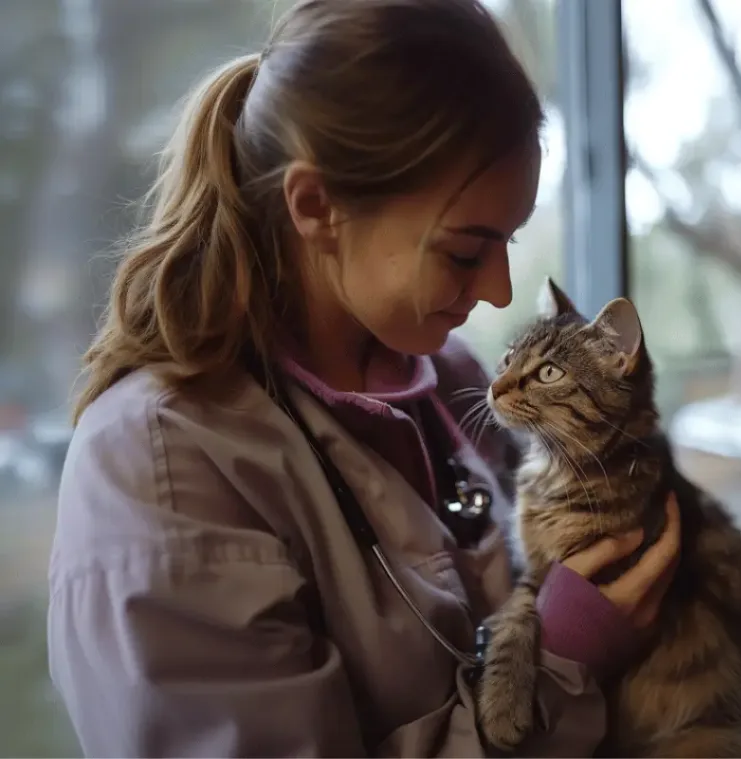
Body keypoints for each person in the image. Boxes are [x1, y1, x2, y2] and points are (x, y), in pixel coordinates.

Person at [47, 0, 682, 755]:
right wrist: (563, 662)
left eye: (507, 240)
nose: (501, 291)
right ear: (317, 207)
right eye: (464, 249)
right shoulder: (161, 468)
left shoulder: (451, 379)